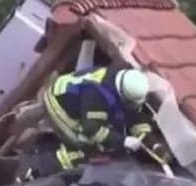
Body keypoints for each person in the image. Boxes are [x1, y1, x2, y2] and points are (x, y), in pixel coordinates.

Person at [37, 65, 171, 175]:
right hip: (59, 105)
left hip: (81, 104)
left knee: (111, 133)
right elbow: (91, 129)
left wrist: (153, 144)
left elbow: (134, 116)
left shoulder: (123, 80)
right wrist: (122, 141)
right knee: (94, 143)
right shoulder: (97, 95)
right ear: (122, 94)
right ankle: (57, 163)